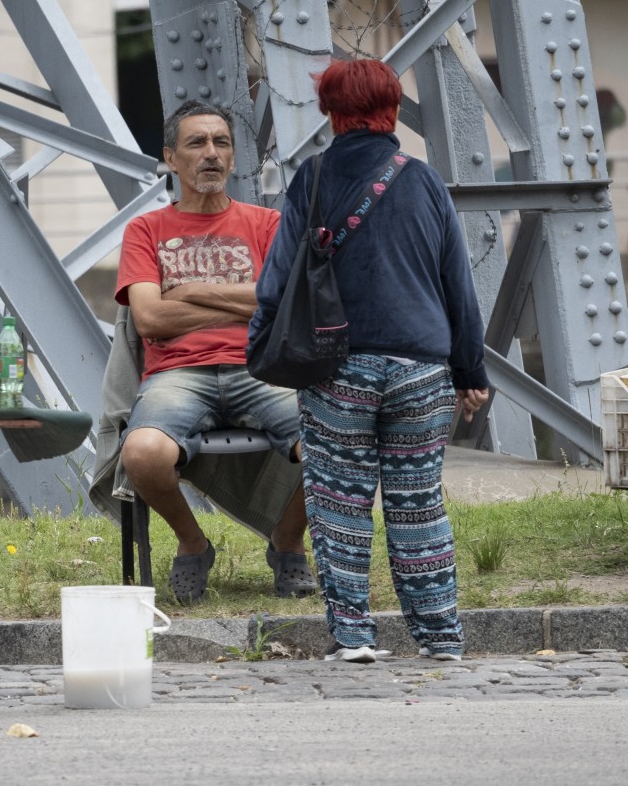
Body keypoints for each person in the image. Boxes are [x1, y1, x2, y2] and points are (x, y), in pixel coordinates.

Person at [249, 58, 490, 662]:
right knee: (418, 504)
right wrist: (470, 373)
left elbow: (280, 276)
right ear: (392, 107)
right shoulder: (424, 180)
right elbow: (457, 283)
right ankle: (440, 639)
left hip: (337, 366)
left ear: (331, 111)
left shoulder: (314, 177)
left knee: (340, 503)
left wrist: (262, 342)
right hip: (421, 369)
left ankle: (354, 637)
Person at [115, 99, 316, 604]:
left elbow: (284, 305)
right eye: (196, 143)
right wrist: (247, 303)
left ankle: (288, 542)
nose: (211, 153)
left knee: (336, 444)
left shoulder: (267, 224)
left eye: (221, 143)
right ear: (171, 158)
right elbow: (150, 319)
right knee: (142, 453)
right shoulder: (146, 231)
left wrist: (186, 292)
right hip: (177, 376)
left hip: (261, 368)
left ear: (232, 157)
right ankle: (192, 542)